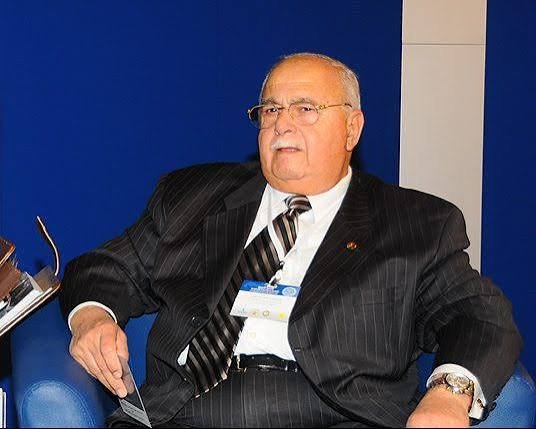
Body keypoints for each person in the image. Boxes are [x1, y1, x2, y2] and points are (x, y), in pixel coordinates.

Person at [60, 53, 522, 428]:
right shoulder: (192, 196)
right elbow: (105, 267)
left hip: (335, 416)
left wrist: (449, 392)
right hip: (181, 413)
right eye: (271, 109)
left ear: (352, 128)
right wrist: (92, 317)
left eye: (305, 108)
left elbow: (478, 314)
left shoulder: (415, 224)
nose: (282, 123)